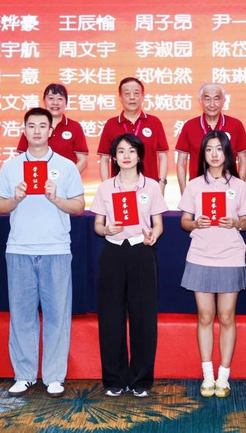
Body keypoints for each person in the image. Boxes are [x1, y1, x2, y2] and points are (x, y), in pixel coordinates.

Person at [0, 107, 85, 398]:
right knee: (22, 315)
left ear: (50, 131)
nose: (36, 131)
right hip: (19, 248)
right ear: (24, 130)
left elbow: (79, 207)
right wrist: (15, 199)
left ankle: (54, 376)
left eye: (42, 126)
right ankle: (24, 374)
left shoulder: (66, 166)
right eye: (31, 125)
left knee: (57, 315)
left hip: (55, 249)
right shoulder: (11, 167)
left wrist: (56, 199)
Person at [91, 133, 166, 398]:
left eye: (132, 151)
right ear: (114, 157)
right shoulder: (105, 187)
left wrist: (153, 235)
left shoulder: (151, 186)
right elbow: (97, 224)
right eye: (121, 151)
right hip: (112, 252)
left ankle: (141, 380)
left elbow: (158, 224)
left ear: (139, 156)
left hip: (141, 252)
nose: (126, 156)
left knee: (143, 317)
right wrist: (106, 229)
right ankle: (114, 378)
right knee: (111, 317)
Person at [178, 130, 246, 398]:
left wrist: (236, 222)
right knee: (205, 316)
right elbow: (184, 221)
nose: (214, 154)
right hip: (201, 256)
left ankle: (224, 376)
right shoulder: (195, 185)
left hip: (230, 256)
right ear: (203, 154)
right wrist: (195, 223)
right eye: (209, 149)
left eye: (219, 148)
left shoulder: (239, 186)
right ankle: (207, 375)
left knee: (227, 316)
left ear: (227, 152)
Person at [175, 83, 246, 194]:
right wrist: (184, 193)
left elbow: (242, 160)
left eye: (216, 99)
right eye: (207, 99)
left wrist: (239, 189)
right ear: (200, 101)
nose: (212, 104)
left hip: (228, 190)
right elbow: (182, 162)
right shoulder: (189, 126)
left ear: (223, 101)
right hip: (198, 190)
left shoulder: (236, 125)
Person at [98, 77, 169, 194]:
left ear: (143, 96)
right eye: (127, 94)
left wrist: (161, 184)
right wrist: (107, 187)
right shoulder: (111, 124)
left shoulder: (154, 122)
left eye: (136, 93)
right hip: (119, 190)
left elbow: (162, 156)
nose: (132, 97)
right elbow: (104, 159)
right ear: (120, 98)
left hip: (149, 187)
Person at [16, 83, 89, 173]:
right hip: (35, 178)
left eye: (60, 99)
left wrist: (67, 177)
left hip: (65, 180)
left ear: (66, 103)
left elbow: (82, 161)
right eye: (51, 98)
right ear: (44, 101)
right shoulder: (33, 125)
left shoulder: (75, 127)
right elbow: (22, 157)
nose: (55, 103)